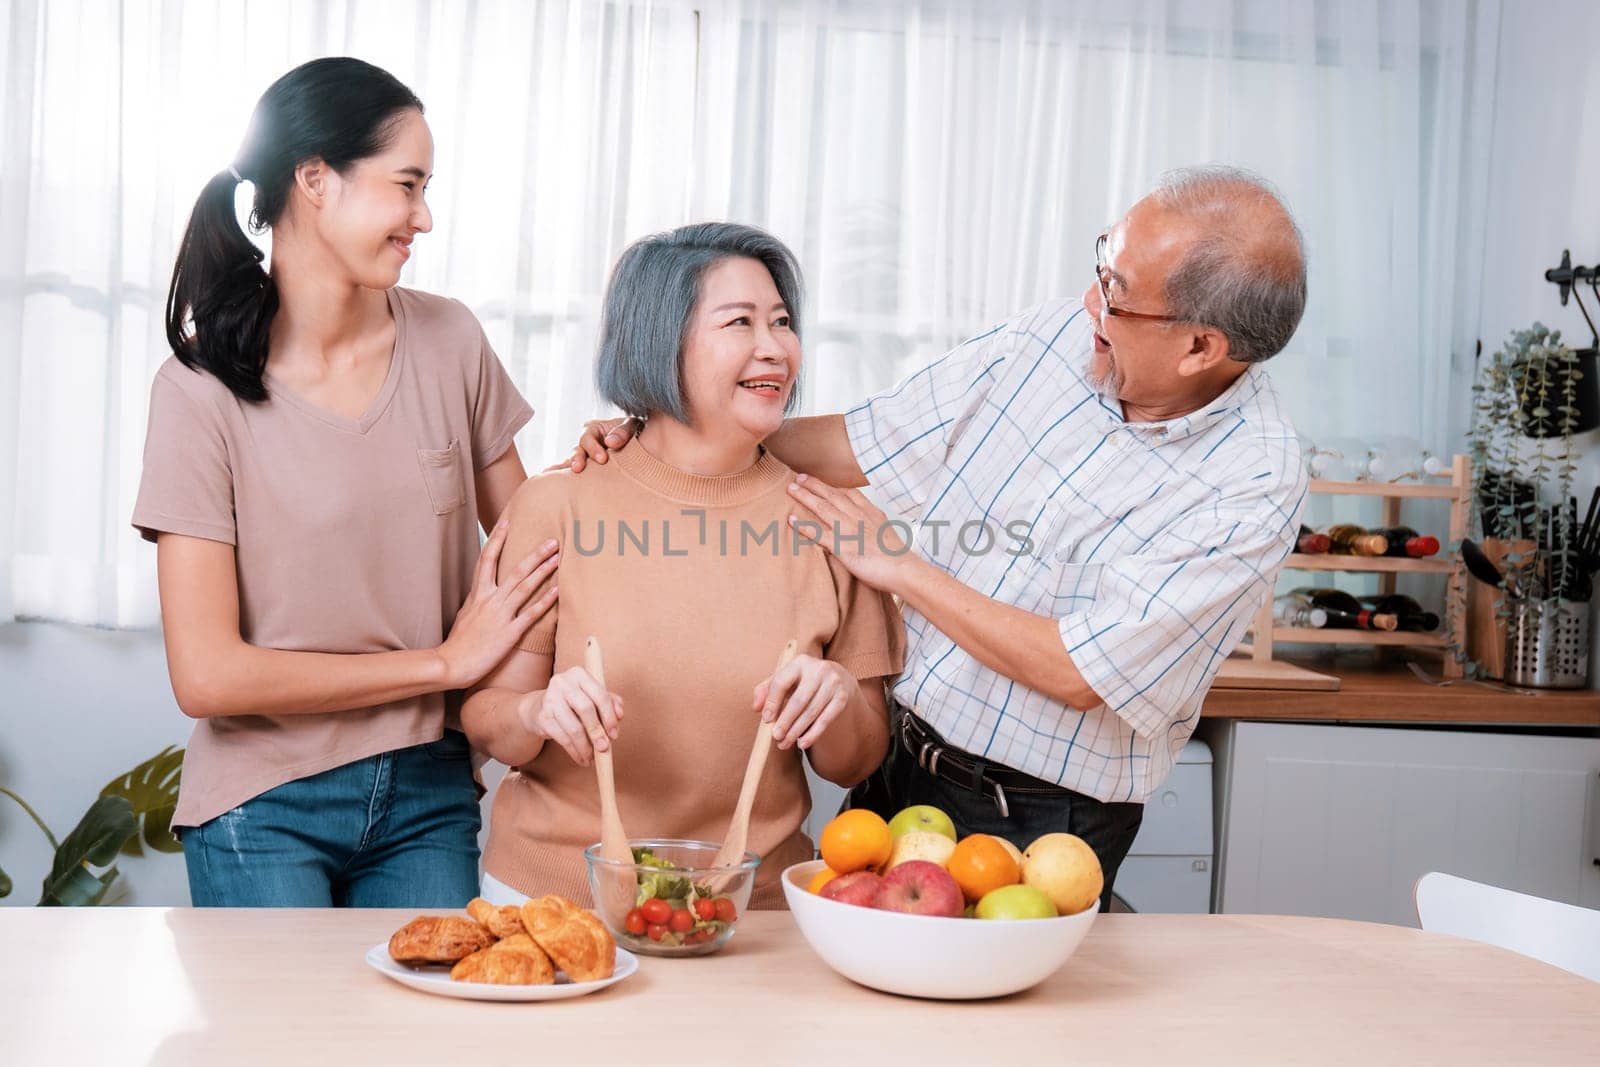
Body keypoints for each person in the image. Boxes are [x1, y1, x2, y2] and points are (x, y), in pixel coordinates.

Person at [565, 166, 1308, 909]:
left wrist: (902, 568)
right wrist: (661, 431)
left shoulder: (1253, 479)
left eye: (1117, 294)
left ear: (1201, 348)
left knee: (986, 1019)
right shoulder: (1052, 341)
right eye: (1104, 265)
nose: (1090, 303)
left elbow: (1082, 671)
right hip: (899, 771)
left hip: (1036, 816)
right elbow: (867, 441)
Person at [133, 57, 558, 907]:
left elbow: (537, 548)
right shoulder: (197, 392)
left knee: (418, 1041)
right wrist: (441, 662)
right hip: (264, 798)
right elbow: (208, 676)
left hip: (431, 794)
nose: (424, 216)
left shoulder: (450, 342)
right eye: (406, 185)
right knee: (291, 1044)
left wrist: (629, 457)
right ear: (315, 179)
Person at [462, 223, 905, 909]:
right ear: (660, 341)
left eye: (782, 321)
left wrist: (839, 697)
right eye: (740, 322)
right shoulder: (559, 503)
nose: (775, 347)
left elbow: (854, 760)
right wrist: (537, 709)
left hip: (751, 914)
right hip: (552, 904)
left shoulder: (829, 518)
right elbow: (489, 722)